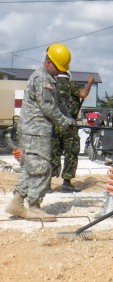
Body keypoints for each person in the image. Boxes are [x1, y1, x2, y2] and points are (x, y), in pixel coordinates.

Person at [6, 43, 77, 221]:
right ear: (49, 62)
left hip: (37, 130)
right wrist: (63, 122)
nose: (59, 72)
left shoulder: (49, 80)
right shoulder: (41, 79)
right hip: (35, 131)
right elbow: (47, 106)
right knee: (41, 168)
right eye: (58, 68)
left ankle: (17, 203)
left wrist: (71, 120)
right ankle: (34, 207)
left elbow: (59, 104)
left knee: (31, 168)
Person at [51, 72, 96, 193]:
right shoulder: (70, 85)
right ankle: (66, 183)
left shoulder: (51, 86)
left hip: (54, 125)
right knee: (71, 153)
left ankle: (46, 184)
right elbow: (83, 94)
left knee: (53, 153)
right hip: (69, 125)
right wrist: (89, 83)